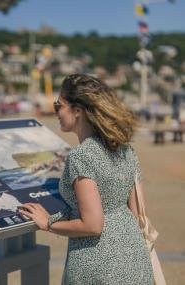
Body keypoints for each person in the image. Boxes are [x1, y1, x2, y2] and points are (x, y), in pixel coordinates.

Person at [19, 74, 153, 284]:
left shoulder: (81, 156)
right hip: (134, 257)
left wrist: (47, 223)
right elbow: (136, 210)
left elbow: (93, 225)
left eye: (59, 105)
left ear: (78, 110)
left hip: (97, 263)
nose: (56, 112)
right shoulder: (126, 149)